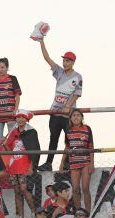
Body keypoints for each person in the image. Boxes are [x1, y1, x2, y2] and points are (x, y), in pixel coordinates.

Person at [35, 38, 83, 171]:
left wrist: (68, 105)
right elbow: (47, 58)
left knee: (70, 139)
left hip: (68, 114)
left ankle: (68, 162)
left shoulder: (78, 76)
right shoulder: (59, 72)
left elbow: (77, 93)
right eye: (64, 60)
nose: (65, 63)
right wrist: (41, 42)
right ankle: (49, 163)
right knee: (53, 138)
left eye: (68, 61)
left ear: (73, 62)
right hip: (55, 112)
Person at [1, 109, 39, 218]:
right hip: (14, 166)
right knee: (17, 191)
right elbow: (10, 150)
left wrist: (31, 166)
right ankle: (20, 217)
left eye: (23, 117)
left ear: (26, 119)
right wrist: (5, 143)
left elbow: (35, 150)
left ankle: (34, 213)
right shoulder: (13, 132)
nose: (20, 119)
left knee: (24, 189)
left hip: (25, 166)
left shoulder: (31, 132)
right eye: (18, 117)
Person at [64, 109, 94, 211]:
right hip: (73, 163)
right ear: (70, 118)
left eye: (78, 115)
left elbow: (91, 147)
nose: (76, 117)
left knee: (85, 188)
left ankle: (88, 213)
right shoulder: (68, 130)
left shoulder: (87, 129)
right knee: (75, 189)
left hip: (86, 162)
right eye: (73, 116)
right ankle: (78, 212)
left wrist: (92, 164)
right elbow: (67, 147)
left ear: (82, 117)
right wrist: (61, 163)